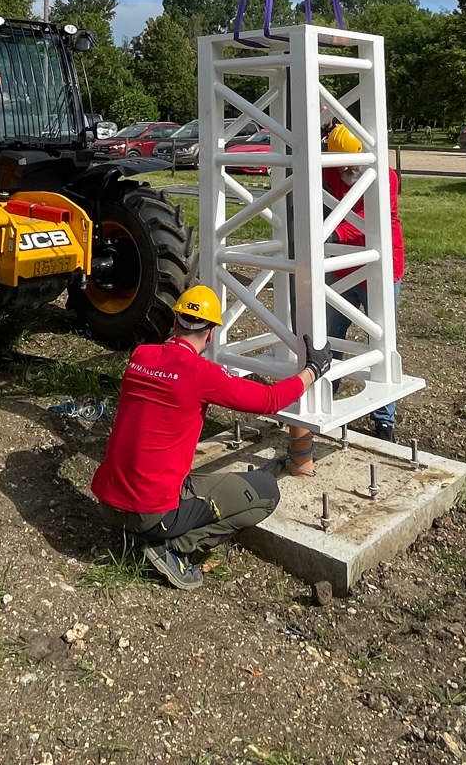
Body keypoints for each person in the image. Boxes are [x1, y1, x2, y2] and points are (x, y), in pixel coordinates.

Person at [92, 285, 331, 590]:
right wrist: (313, 369)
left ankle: (148, 530)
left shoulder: (141, 356)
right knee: (266, 491)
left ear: (175, 321)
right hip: (150, 514)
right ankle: (174, 547)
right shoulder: (200, 373)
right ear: (211, 333)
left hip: (108, 504)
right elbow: (269, 400)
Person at [321, 120, 407, 440]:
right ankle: (326, 394)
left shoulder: (384, 179)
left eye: (350, 166)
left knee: (381, 343)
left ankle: (384, 421)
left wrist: (325, 235)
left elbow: (369, 225)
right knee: (329, 336)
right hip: (341, 268)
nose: (345, 173)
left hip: (378, 270)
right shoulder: (333, 168)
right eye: (339, 166)